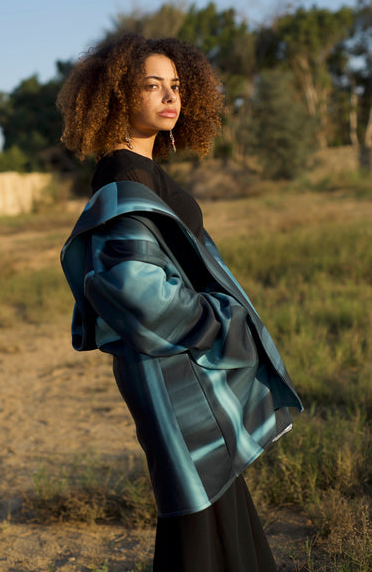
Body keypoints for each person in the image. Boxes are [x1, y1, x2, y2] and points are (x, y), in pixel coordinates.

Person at [57, 34, 302, 572]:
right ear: (119, 95)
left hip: (179, 361)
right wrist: (220, 320)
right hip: (167, 366)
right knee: (196, 508)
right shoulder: (122, 175)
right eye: (152, 86)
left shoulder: (144, 170)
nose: (171, 97)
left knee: (208, 504)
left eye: (176, 85)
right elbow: (130, 286)